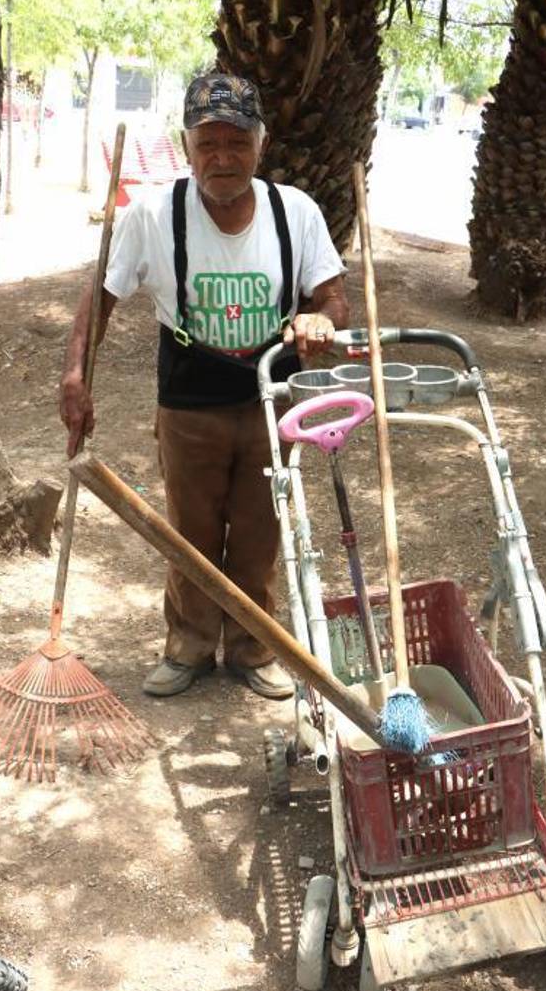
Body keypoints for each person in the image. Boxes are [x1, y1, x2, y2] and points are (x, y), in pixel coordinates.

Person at [60, 72, 349, 699]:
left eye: (237, 142)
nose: (222, 158)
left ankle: (252, 648)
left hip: (271, 398)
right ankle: (189, 647)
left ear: (261, 145)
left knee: (260, 530)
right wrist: (76, 373)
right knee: (190, 532)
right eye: (207, 143)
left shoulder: (295, 212)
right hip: (189, 400)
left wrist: (321, 319)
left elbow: (332, 297)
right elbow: (100, 298)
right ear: (186, 147)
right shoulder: (153, 214)